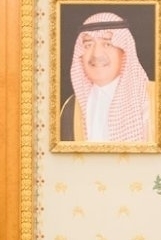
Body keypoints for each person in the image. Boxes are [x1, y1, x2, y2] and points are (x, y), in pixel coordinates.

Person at [58, 12, 154, 143]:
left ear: (124, 51)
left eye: (107, 44)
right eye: (88, 45)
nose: (96, 54)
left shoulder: (156, 98)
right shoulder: (71, 108)